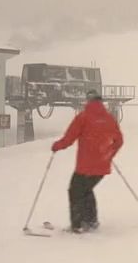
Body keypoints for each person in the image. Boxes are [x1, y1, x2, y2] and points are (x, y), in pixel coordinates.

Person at [51, 90, 124, 233]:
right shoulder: (109, 118)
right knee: (86, 190)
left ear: (88, 101)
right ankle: (91, 221)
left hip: (85, 167)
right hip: (102, 167)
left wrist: (56, 146)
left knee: (75, 191)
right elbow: (119, 141)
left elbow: (69, 139)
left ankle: (77, 225)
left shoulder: (83, 117)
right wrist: (109, 153)